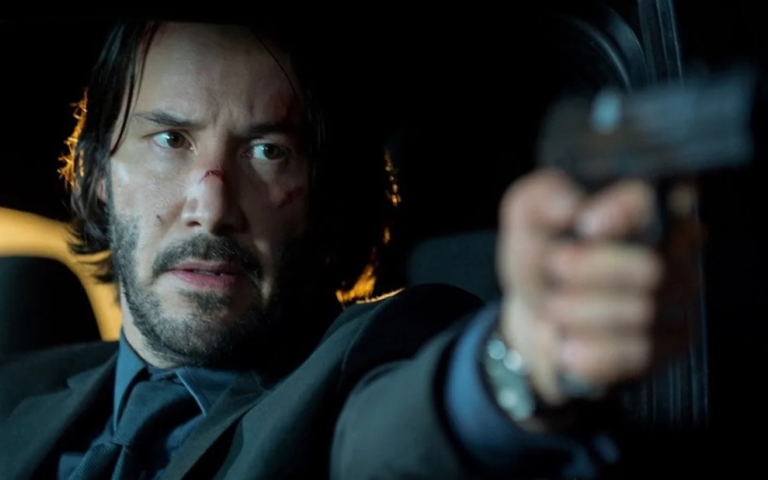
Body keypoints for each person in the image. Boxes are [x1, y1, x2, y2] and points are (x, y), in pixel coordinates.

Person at [0, 18, 693, 479]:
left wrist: (519, 363)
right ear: (96, 177)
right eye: (170, 140)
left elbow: (399, 439)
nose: (210, 206)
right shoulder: (16, 393)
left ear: (325, 200)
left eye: (268, 151)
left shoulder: (373, 356)